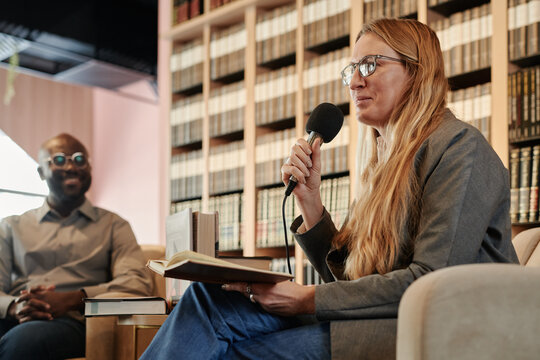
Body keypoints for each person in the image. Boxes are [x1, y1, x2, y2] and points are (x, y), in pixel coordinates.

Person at [141, 18, 518, 360]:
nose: (355, 80)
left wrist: (307, 299)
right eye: (352, 69)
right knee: (208, 300)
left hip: (439, 331)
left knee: (242, 352)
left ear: (417, 72)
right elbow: (352, 284)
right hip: (382, 320)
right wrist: (311, 202)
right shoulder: (383, 164)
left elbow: (430, 282)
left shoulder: (461, 149)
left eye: (370, 64)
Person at [0, 133, 153, 359]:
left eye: (80, 160)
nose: (71, 167)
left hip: (74, 322)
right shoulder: (11, 226)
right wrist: (16, 306)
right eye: (60, 160)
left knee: (23, 342)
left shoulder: (114, 225)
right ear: (41, 173)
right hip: (14, 316)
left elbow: (137, 284)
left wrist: (74, 298)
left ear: (89, 168)